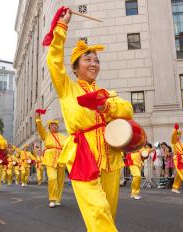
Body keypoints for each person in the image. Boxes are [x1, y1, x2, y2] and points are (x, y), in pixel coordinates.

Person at [46, 8, 133, 231]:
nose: (94, 63)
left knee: (108, 212)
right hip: (83, 153)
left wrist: (108, 106)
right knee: (98, 210)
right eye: (88, 59)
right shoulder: (67, 88)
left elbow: (127, 110)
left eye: (96, 60)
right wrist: (62, 27)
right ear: (75, 68)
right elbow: (54, 61)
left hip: (110, 152)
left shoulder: (106, 93)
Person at [35, 115, 67, 207]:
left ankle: (58, 199)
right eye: (52, 125)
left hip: (61, 158)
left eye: (55, 125)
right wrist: (38, 120)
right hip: (49, 158)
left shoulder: (63, 136)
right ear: (49, 127)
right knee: (52, 178)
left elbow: (69, 144)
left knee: (60, 180)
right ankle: (52, 199)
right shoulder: (46, 135)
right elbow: (40, 129)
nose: (54, 126)